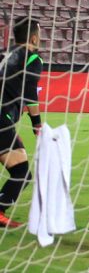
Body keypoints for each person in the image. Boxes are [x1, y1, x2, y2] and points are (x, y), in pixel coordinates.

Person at [0, 18, 41, 227]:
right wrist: (37, 124)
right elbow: (31, 94)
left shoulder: (4, 54)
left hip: (3, 119)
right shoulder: (32, 57)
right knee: (22, 173)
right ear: (34, 37)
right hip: (1, 118)